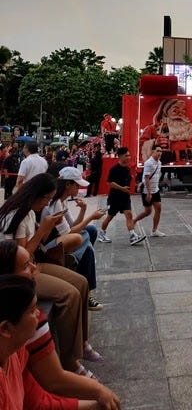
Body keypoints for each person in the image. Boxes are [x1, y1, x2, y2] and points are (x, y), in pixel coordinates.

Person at [0, 173, 102, 374]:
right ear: (36, 195)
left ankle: (82, 342)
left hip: (33, 264)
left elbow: (39, 246)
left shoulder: (29, 212)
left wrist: (47, 227)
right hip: (19, 273)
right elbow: (21, 257)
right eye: (46, 198)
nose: (47, 202)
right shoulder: (16, 215)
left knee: (81, 283)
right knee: (69, 295)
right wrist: (42, 230)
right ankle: (69, 360)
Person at [0, 243, 121, 408]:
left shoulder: (17, 354)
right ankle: (71, 361)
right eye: (32, 310)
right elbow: (53, 380)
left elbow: (39, 402)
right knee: (70, 294)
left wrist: (97, 403)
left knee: (81, 279)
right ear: (6, 329)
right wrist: (97, 390)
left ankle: (78, 352)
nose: (39, 314)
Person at [43, 167, 104, 311]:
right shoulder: (55, 203)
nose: (79, 188)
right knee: (87, 244)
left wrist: (83, 210)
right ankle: (86, 291)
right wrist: (91, 217)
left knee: (90, 231)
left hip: (61, 238)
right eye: (77, 185)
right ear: (67, 184)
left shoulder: (62, 202)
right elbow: (70, 232)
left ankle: (78, 258)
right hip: (50, 244)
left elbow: (73, 225)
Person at [97, 147, 146, 246]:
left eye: (129, 155)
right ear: (120, 156)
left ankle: (132, 236)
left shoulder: (127, 168)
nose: (129, 157)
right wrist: (121, 188)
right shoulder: (114, 169)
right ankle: (101, 233)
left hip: (125, 197)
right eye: (126, 155)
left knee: (129, 215)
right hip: (115, 197)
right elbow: (110, 183)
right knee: (110, 217)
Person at [133, 147, 165, 237]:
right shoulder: (148, 163)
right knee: (148, 212)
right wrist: (149, 193)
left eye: (161, 151)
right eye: (158, 151)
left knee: (158, 208)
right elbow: (146, 178)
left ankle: (154, 230)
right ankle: (134, 221)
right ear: (153, 152)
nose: (159, 153)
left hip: (156, 190)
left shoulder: (159, 163)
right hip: (147, 191)